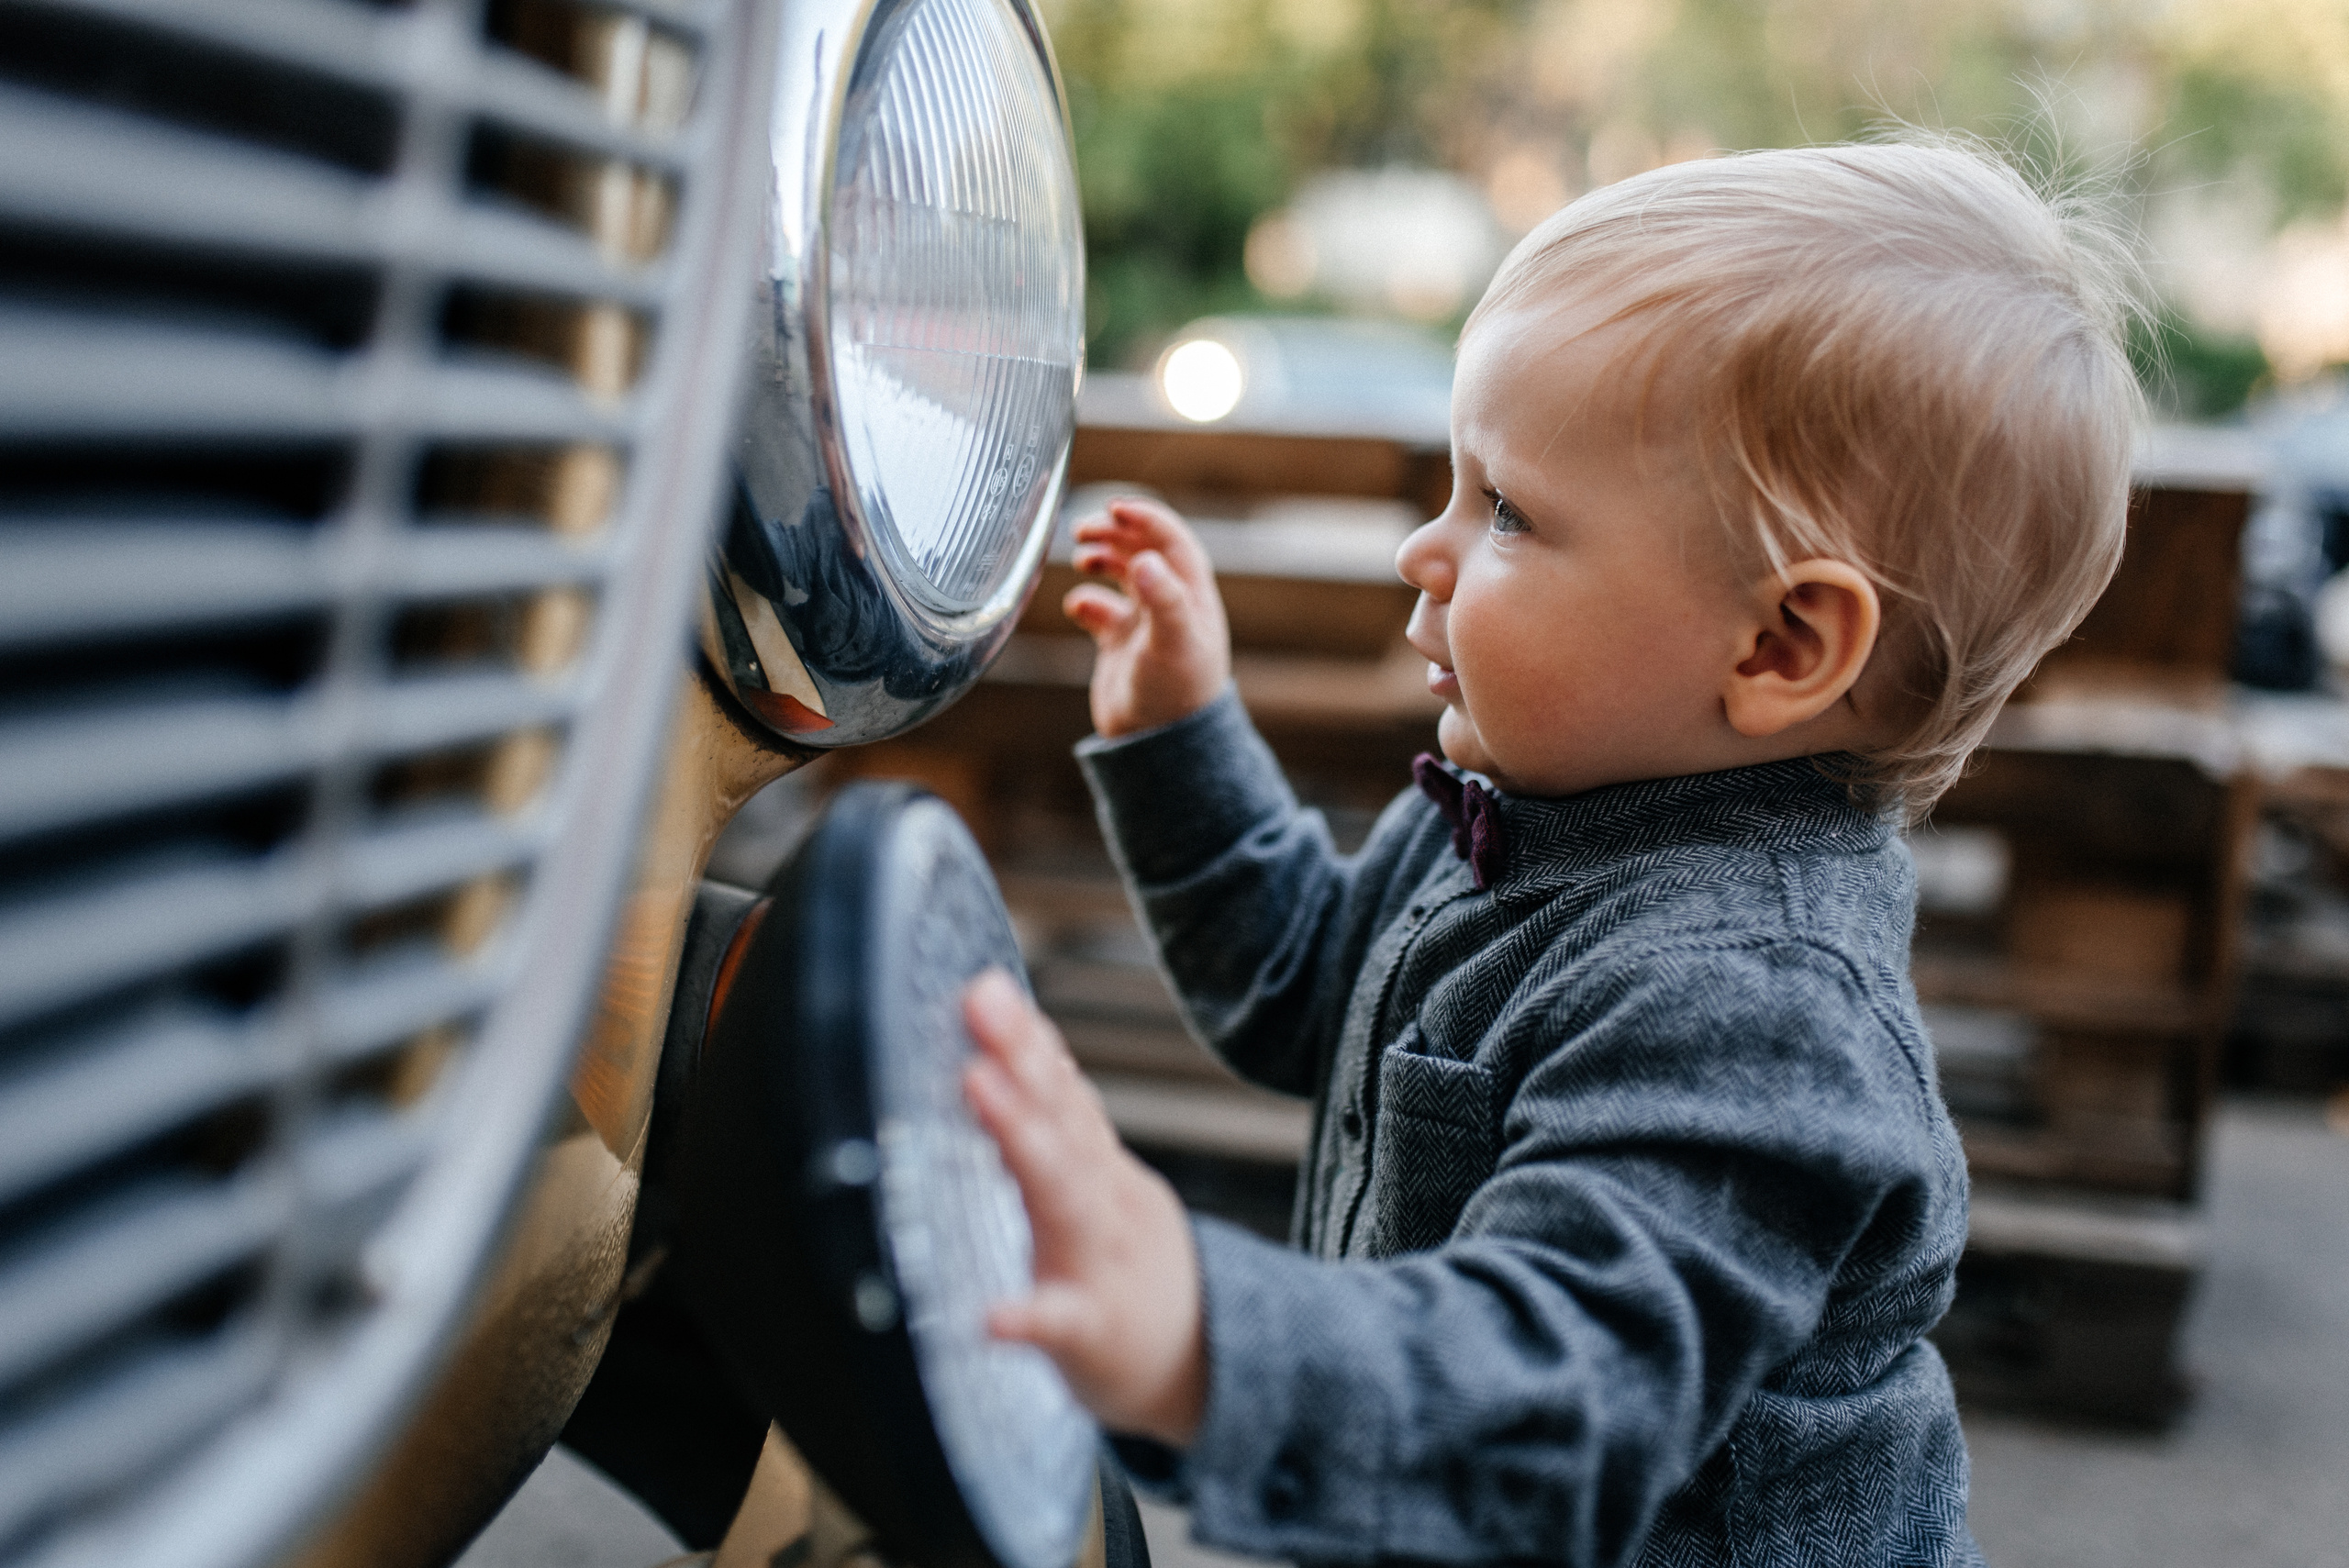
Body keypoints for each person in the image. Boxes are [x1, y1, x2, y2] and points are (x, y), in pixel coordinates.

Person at [959, 137, 2143, 1566]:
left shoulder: (1752, 1010)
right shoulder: (1518, 810)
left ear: (1778, 644)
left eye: (1505, 509)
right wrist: (1178, 740)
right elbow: (1299, 988)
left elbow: (1553, 1392)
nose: (1424, 549)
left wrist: (1202, 1336)